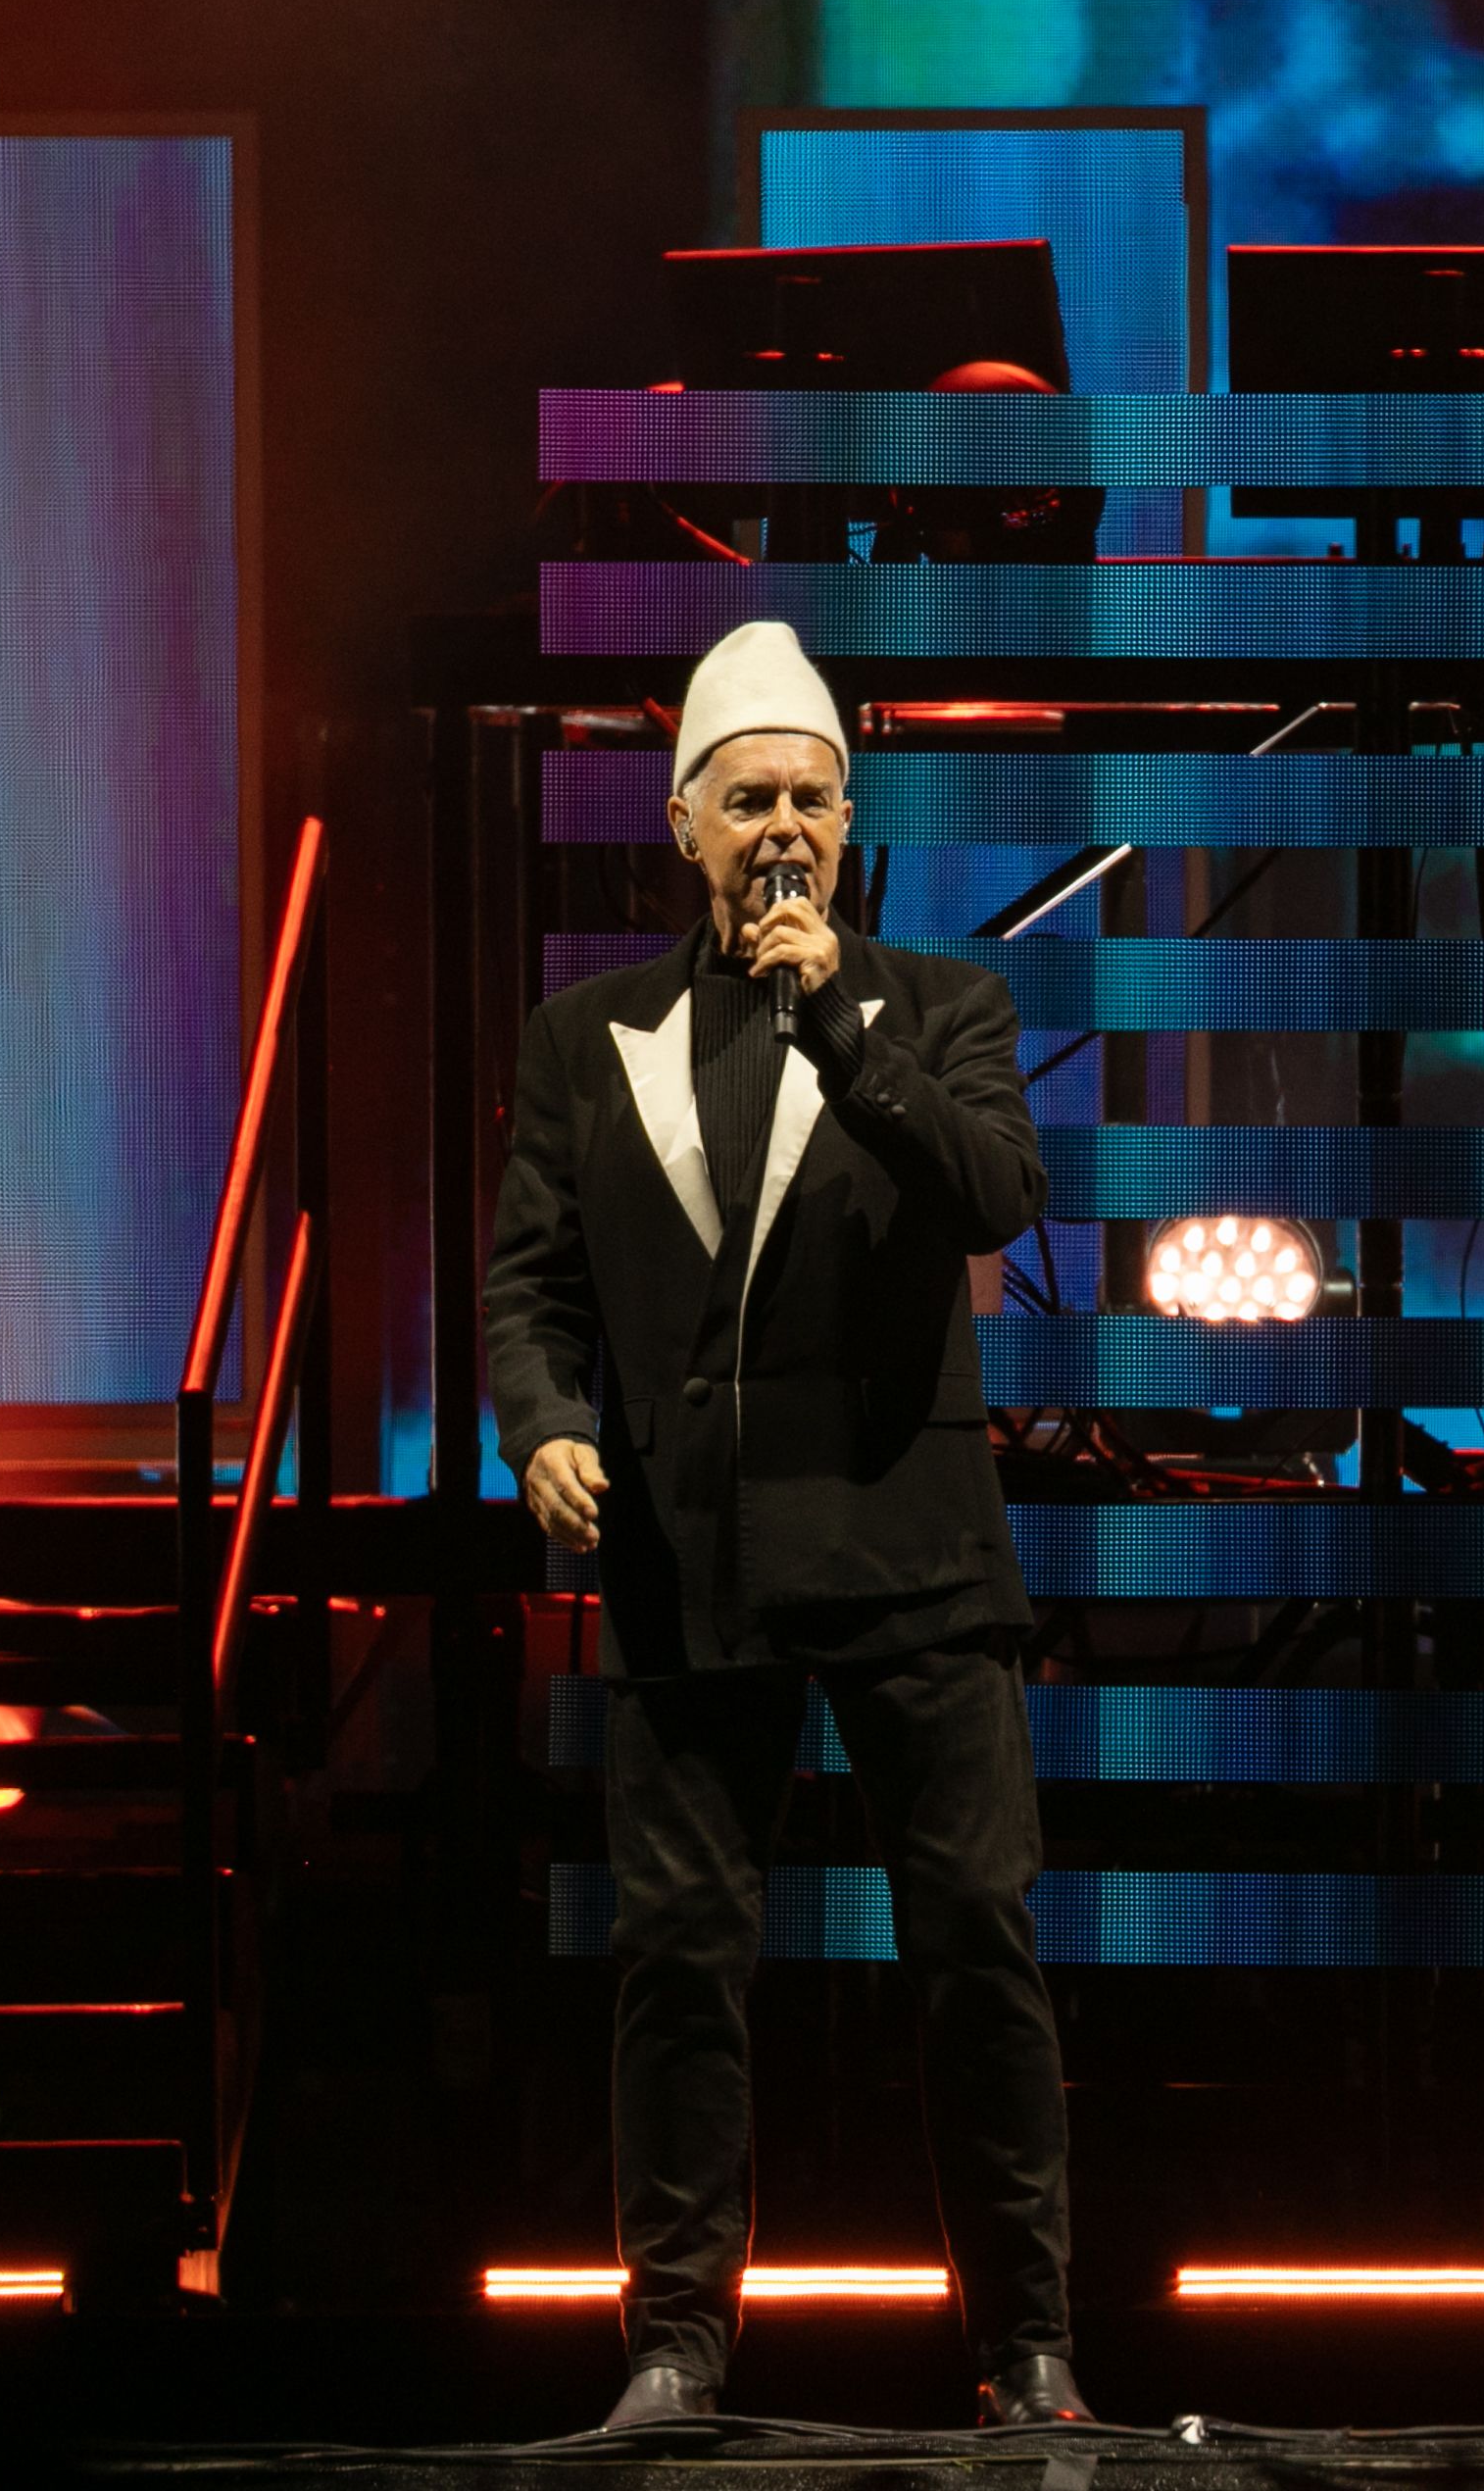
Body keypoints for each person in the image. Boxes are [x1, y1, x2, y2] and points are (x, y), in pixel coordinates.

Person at [485, 620, 1088, 2431]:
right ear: (683, 823)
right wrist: (546, 1426)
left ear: (850, 820)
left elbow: (997, 1194)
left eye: (812, 800)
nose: (783, 831)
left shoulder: (941, 1010)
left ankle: (1028, 2349)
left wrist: (836, 1022)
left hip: (912, 1546)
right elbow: (530, 1285)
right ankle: (674, 2352)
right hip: (694, 1559)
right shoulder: (587, 1036)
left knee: (976, 1941)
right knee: (680, 1961)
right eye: (748, 800)